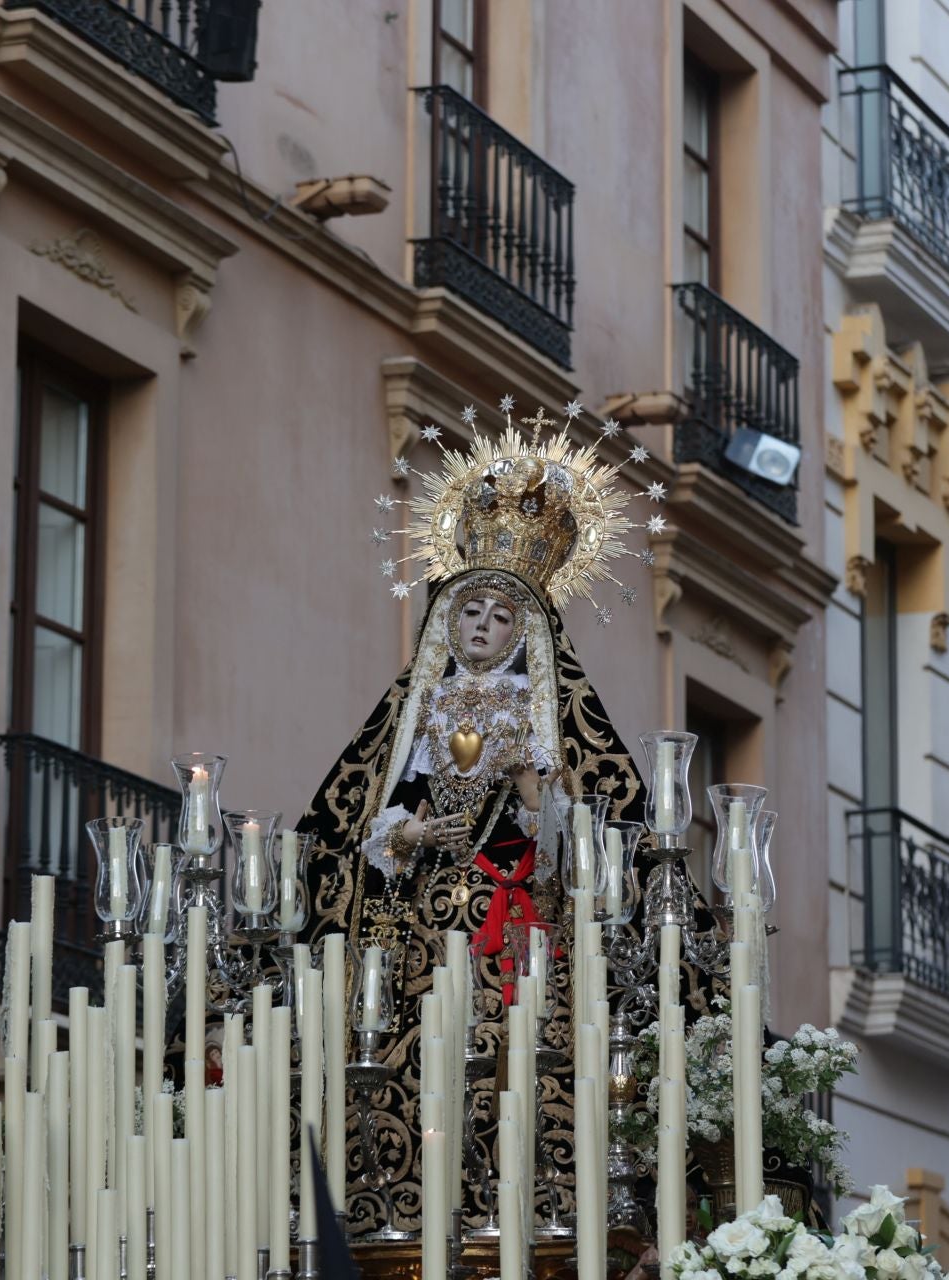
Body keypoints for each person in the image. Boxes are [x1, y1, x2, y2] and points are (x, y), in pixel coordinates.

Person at [295, 406, 652, 1235]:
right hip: (419, 933)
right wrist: (408, 836)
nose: (482, 627)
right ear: (446, 623)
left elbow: (588, 847)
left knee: (511, 1076)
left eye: (499, 617)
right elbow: (364, 822)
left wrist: (535, 798)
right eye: (469, 614)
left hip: (512, 935)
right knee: (415, 1070)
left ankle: (520, 1205)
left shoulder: (547, 714)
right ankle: (401, 1201)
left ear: (526, 630)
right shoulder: (416, 712)